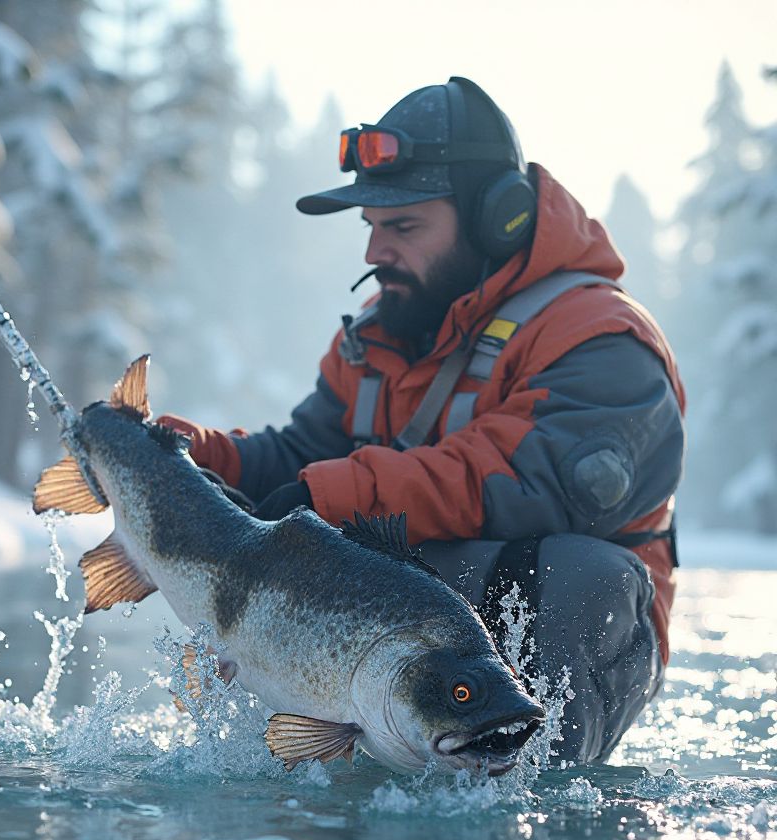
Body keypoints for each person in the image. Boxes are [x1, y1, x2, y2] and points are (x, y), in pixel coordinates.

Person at [158, 77, 685, 764]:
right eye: (373, 229)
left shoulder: (602, 340)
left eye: (404, 227)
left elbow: (521, 481)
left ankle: (535, 793)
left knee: (581, 572)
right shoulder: (380, 334)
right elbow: (304, 458)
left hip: (551, 621)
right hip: (421, 632)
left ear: (499, 218)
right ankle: (318, 756)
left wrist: (331, 494)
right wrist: (202, 457)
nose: (376, 253)